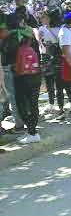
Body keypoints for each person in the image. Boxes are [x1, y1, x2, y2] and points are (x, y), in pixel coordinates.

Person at [4, 7, 42, 143]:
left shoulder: (8, 38)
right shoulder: (29, 34)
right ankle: (33, 132)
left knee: (20, 103)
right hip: (35, 73)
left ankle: (31, 132)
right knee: (33, 103)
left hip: (20, 76)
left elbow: (6, 59)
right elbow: (38, 52)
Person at [37, 7, 65, 116]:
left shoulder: (59, 28)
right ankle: (51, 103)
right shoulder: (41, 29)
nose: (41, 19)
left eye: (43, 17)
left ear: (49, 18)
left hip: (57, 58)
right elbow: (39, 43)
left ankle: (61, 106)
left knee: (59, 84)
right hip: (46, 57)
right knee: (49, 83)